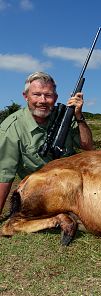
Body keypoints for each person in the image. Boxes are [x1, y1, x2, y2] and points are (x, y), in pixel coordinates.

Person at [0, 71, 94, 215]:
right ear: (25, 96)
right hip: (40, 191)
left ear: (55, 98)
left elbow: (88, 146)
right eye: (36, 94)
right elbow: (4, 176)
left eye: (48, 95)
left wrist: (79, 116)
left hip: (74, 184)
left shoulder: (66, 117)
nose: (42, 100)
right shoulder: (11, 127)